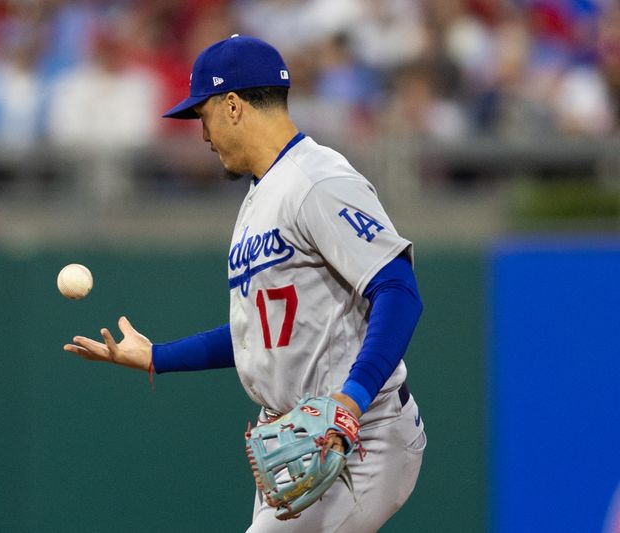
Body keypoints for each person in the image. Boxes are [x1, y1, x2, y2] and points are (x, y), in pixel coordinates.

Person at [64, 34, 426, 533]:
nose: (204, 135)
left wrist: (352, 400)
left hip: (362, 433)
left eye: (204, 115)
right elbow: (264, 331)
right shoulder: (262, 194)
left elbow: (400, 291)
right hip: (300, 441)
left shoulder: (316, 180)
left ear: (233, 105)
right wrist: (157, 357)